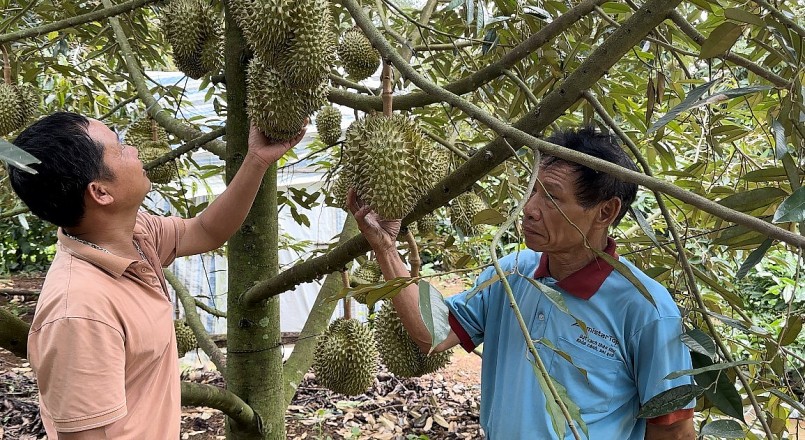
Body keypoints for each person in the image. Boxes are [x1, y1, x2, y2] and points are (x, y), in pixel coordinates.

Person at [348, 127, 696, 439]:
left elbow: (674, 430)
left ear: (605, 212)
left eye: (552, 197)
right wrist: (385, 247)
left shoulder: (647, 309)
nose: (529, 209)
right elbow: (433, 335)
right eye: (532, 191)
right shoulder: (510, 274)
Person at [7, 112, 305, 439]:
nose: (134, 149)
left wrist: (256, 161)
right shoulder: (79, 312)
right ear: (100, 192)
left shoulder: (134, 235)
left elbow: (206, 230)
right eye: (119, 148)